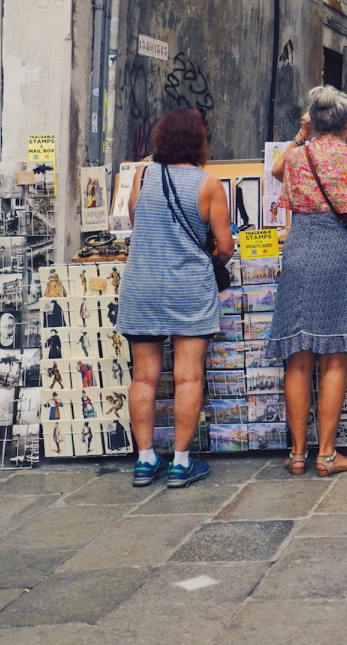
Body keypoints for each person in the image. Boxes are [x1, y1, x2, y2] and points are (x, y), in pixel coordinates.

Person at [118, 107, 233, 488]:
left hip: (143, 286)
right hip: (189, 289)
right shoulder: (209, 184)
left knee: (144, 377)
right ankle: (181, 464)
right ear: (200, 141)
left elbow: (136, 221)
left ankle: (145, 460)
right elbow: (227, 247)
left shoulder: (144, 174)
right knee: (188, 376)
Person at [266, 86, 347, 476]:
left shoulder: (297, 157)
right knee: (334, 357)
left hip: (298, 251)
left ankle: (297, 455)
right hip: (336, 253)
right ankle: (327, 456)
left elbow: (276, 171)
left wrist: (301, 134)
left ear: (315, 123)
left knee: (298, 358)